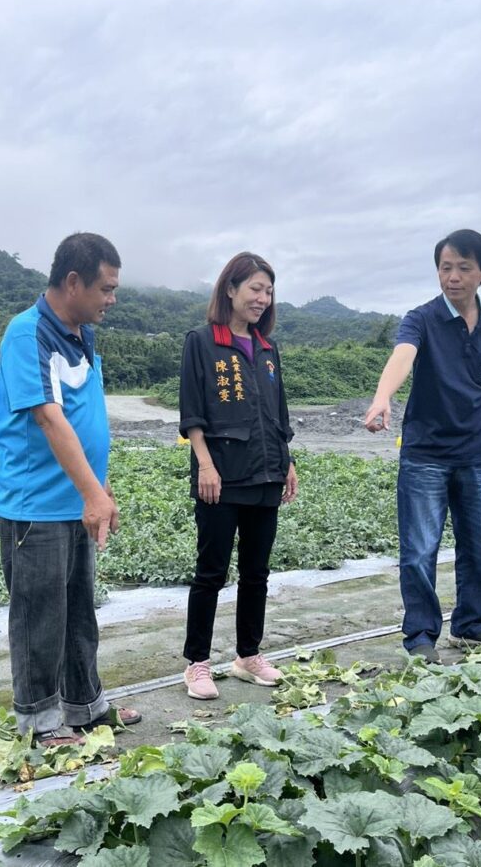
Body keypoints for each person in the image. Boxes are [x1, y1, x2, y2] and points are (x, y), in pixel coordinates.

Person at [0, 232, 140, 746]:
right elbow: (50, 419)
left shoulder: (82, 335)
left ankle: (84, 706)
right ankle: (38, 722)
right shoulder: (26, 333)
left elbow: (86, 419)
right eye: (106, 288)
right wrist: (93, 495)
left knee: (79, 610)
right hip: (35, 507)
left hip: (76, 502)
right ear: (73, 281)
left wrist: (100, 491)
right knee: (40, 616)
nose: (111, 299)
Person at [364, 229, 481, 664]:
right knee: (419, 550)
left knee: (479, 545)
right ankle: (421, 636)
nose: (452, 277)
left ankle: (472, 625)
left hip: (474, 455)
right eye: (445, 268)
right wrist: (383, 398)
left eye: (463, 268)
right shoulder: (421, 318)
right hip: (425, 455)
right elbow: (403, 354)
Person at [178, 252, 299, 700]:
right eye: (255, 289)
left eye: (268, 291)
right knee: (210, 572)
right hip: (221, 476)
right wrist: (205, 465)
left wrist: (286, 461)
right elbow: (192, 412)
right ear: (230, 289)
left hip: (265, 474)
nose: (263, 299)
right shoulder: (202, 341)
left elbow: (279, 413)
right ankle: (197, 664)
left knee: (256, 572)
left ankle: (248, 655)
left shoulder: (268, 350)